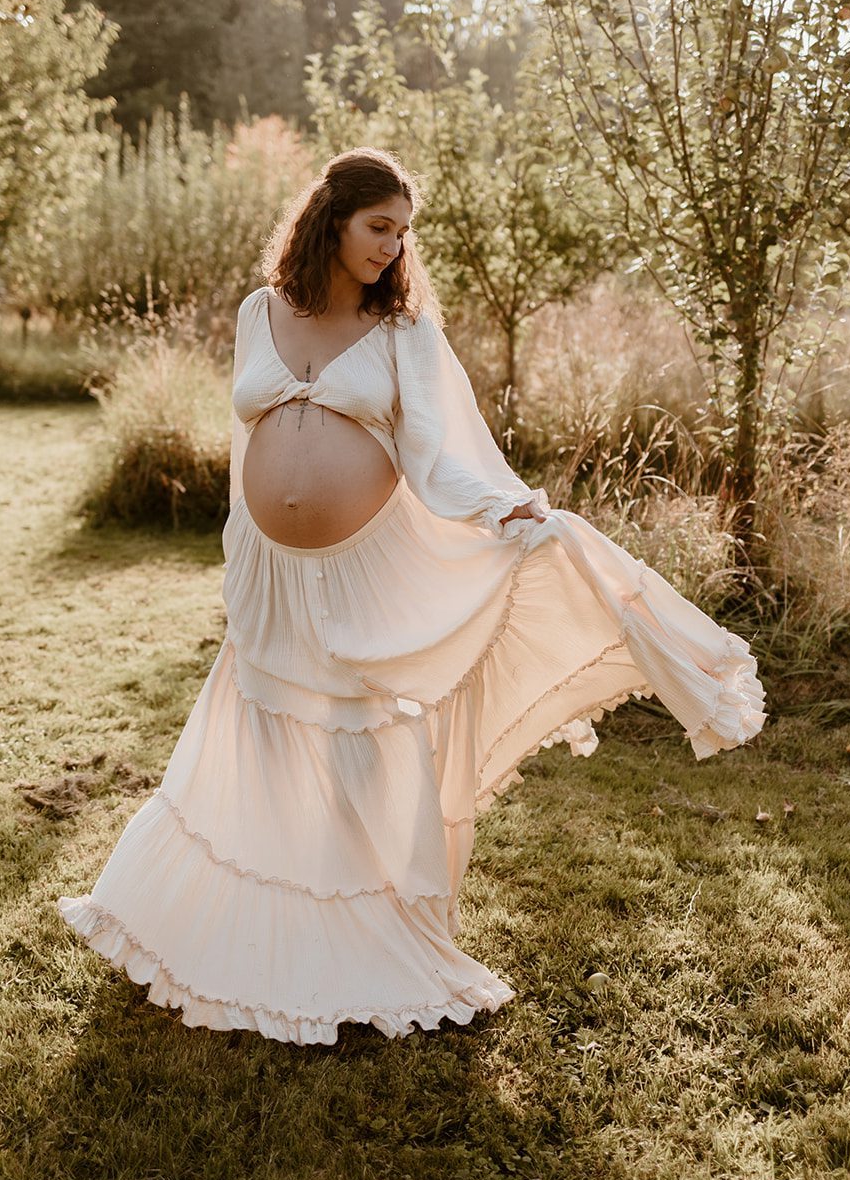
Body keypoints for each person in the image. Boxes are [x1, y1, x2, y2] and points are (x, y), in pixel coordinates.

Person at [58, 146, 766, 1045]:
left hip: (367, 567)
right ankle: (241, 934)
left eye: (402, 233)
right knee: (266, 741)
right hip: (275, 573)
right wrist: (244, 544)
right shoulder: (257, 313)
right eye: (377, 228)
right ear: (331, 219)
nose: (392, 248)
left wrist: (507, 510)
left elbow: (437, 453)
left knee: (361, 734)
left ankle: (369, 931)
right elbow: (246, 446)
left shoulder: (404, 332)